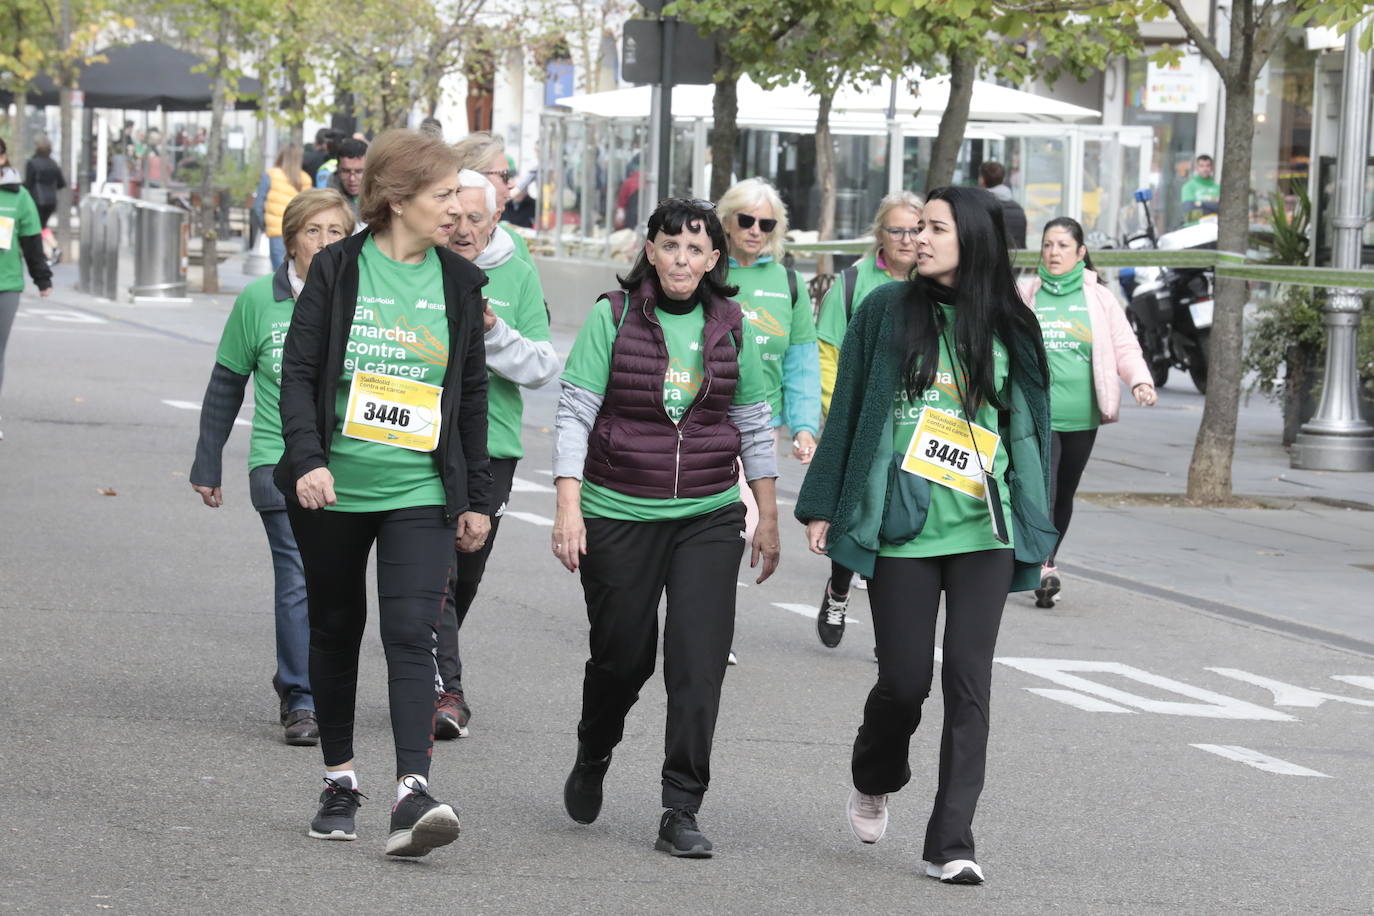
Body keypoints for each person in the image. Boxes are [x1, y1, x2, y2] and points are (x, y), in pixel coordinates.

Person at [795, 186, 1054, 886]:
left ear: (971, 239)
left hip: (981, 532)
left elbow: (1032, 433)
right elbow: (847, 406)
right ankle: (875, 769)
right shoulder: (884, 309)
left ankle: (952, 841)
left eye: (934, 228)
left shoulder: (1011, 325)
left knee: (970, 682)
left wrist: (1039, 527)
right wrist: (824, 503)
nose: (918, 238)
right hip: (900, 527)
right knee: (905, 682)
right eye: (914, 228)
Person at [275, 129, 493, 857]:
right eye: (443, 197)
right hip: (333, 488)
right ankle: (340, 781)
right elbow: (299, 375)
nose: (457, 212)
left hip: (419, 489)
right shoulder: (339, 271)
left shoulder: (459, 283)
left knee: (412, 632)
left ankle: (411, 793)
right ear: (398, 201)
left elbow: (470, 397)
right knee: (336, 631)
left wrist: (476, 498)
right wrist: (307, 459)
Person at [552, 197, 781, 858]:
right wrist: (569, 505)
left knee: (697, 662)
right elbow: (574, 415)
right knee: (624, 658)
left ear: (715, 258)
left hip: (708, 514)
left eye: (695, 248)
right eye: (670, 245)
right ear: (650, 250)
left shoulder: (732, 327)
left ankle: (680, 806)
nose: (682, 258)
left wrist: (766, 515)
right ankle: (596, 745)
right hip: (619, 509)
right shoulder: (613, 316)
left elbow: (754, 424)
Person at [190, 189, 354, 745]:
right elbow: (226, 382)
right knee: (299, 576)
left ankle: (327, 682)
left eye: (337, 232)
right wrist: (207, 461)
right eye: (314, 231)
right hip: (277, 462)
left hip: (353, 464)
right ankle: (301, 698)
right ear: (290, 240)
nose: (326, 243)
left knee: (339, 584)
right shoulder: (260, 300)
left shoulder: (367, 298)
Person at [433, 170, 559, 739]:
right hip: (421, 439)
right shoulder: (417, 263)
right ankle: (444, 688)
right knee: (434, 566)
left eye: (474, 220)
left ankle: (426, 662)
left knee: (466, 568)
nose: (461, 230)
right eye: (452, 217)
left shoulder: (517, 272)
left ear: (495, 222)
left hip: (493, 445)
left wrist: (493, 330)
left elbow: (541, 365)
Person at [1021, 217, 1156, 608]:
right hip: (1037, 414)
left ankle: (1048, 557)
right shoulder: (1027, 294)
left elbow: (1125, 348)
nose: (1053, 252)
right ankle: (1043, 566)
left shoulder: (1098, 299)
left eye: (1063, 245)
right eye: (1048, 245)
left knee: (1064, 493)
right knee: (1043, 489)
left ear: (1080, 252)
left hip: (1083, 415)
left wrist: (1140, 382)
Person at [813, 190, 923, 648]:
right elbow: (829, 351)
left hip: (912, 425)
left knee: (899, 521)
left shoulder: (933, 282)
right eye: (896, 230)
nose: (906, 239)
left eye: (915, 230)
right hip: (862, 421)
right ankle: (839, 588)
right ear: (879, 233)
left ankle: (891, 634)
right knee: (857, 514)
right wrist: (840, 414)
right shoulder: (855, 282)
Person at [716, 177, 820, 664]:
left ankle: (712, 622)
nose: (756, 230)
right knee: (720, 525)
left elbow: (801, 360)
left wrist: (804, 426)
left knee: (745, 523)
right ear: (727, 221)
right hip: (705, 419)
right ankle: (707, 622)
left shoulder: (788, 282)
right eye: (746, 220)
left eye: (766, 223)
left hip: (761, 423)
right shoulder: (707, 269)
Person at [0, 139, 55, 441]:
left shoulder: (18, 197)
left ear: (3, 157)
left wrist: (42, 279)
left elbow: (32, 241)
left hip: (5, 285)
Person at [453, 132, 533, 267]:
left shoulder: (514, 243)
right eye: (504, 176)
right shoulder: (434, 242)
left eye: (474, 218)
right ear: (473, 176)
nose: (512, 184)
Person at [253, 146, 311, 271]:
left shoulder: (270, 175)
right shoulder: (305, 179)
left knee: (280, 273)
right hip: (298, 231)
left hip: (276, 231)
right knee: (297, 273)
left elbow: (258, 207)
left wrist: (266, 226)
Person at [978, 161, 1027, 250]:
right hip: (1015, 261)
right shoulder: (1018, 208)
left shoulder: (978, 207)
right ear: (1003, 179)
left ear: (982, 180)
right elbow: (1021, 243)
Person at [23, 135, 66, 231]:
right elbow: (61, 183)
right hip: (51, 201)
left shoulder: (32, 163)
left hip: (37, 200)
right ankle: (52, 245)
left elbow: (28, 184)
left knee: (35, 226)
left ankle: (49, 244)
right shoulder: (53, 163)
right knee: (42, 226)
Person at [326, 137, 367, 225]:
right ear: (337, 169)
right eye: (346, 171)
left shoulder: (382, 196)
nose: (352, 178)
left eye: (359, 171)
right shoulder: (327, 199)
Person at [1180, 154, 1219, 226]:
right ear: (1197, 168)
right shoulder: (1188, 187)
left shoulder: (1218, 188)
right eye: (1201, 166)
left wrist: (1201, 204)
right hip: (1194, 229)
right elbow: (1190, 215)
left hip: (1214, 230)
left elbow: (1223, 209)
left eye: (1208, 165)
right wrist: (1214, 208)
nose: (1205, 169)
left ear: (1212, 168)